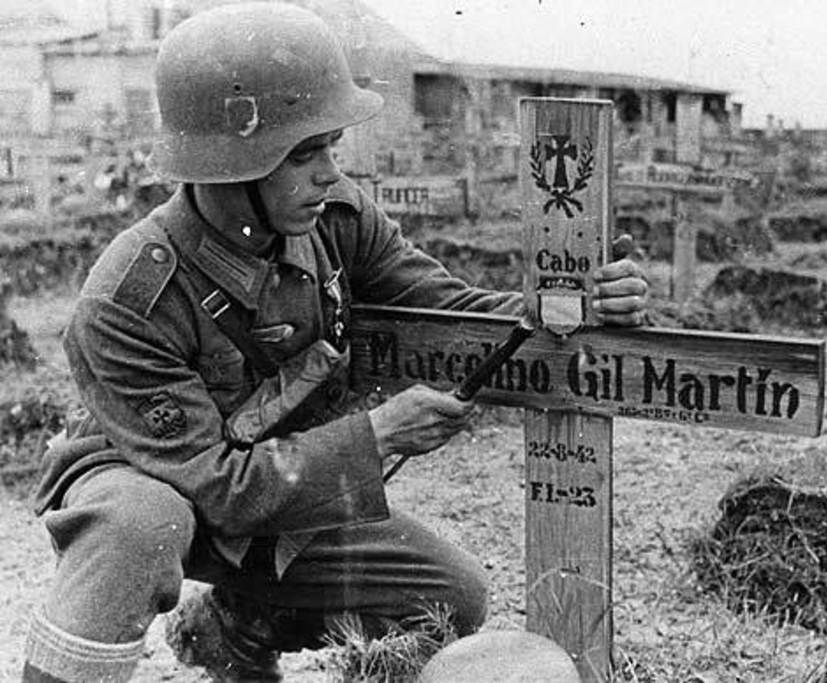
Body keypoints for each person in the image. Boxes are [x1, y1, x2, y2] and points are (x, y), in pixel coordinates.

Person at [20, 4, 650, 682]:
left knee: (450, 595)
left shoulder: (333, 218)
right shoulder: (129, 299)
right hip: (155, 476)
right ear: (230, 166)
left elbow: (448, 313)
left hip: (281, 481)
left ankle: (237, 625)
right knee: (141, 523)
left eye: (330, 147)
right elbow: (220, 487)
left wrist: (569, 306)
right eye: (303, 154)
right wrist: (379, 434)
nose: (328, 172)